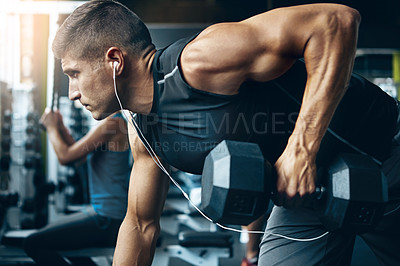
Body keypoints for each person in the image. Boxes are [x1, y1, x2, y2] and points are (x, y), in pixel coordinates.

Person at [51, 0, 400, 265]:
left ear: (115, 61)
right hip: (306, 201)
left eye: (74, 74)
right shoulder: (143, 130)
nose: (72, 92)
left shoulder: (201, 61)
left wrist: (302, 149)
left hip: (384, 155)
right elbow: (140, 225)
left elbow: (336, 21)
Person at [23, 109, 131, 266]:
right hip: (103, 213)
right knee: (55, 241)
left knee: (32, 243)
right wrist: (60, 128)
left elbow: (65, 157)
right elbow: (78, 158)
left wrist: (52, 127)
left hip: (108, 218)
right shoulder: (111, 122)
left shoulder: (113, 124)